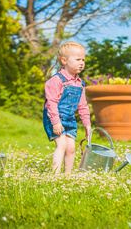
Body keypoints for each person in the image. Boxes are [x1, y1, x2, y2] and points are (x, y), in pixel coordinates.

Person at [43, 41, 92, 173]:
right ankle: (55, 175)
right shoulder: (56, 81)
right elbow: (51, 103)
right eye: (77, 59)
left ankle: (67, 175)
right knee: (62, 144)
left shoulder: (80, 83)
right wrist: (56, 122)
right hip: (54, 118)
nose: (81, 63)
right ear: (64, 60)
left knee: (71, 147)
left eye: (83, 59)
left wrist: (87, 125)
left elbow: (83, 106)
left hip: (70, 120)